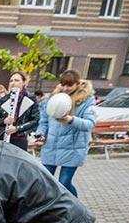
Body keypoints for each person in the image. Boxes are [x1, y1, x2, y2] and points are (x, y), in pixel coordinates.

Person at [35, 69, 96, 198]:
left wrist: (71, 120)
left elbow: (89, 124)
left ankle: (77, 207)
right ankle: (51, 208)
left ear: (77, 83)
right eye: (63, 84)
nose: (66, 88)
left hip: (72, 148)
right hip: (51, 146)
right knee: (46, 182)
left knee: (64, 182)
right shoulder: (54, 98)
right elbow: (44, 121)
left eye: (69, 85)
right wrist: (40, 133)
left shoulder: (86, 100)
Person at [0, 71, 40, 151]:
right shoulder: (4, 99)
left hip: (20, 138)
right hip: (3, 137)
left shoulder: (30, 98)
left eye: (16, 80)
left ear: (24, 82)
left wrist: (17, 128)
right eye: (11, 81)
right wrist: (4, 120)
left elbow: (35, 120)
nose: (13, 83)